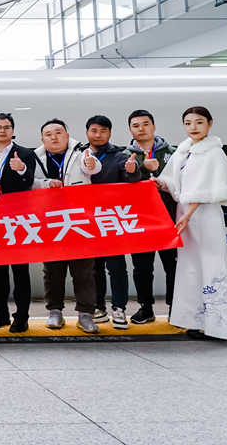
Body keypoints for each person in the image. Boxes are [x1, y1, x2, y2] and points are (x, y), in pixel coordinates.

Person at [154, 106, 227, 341]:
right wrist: (159, 183)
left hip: (204, 215)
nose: (193, 127)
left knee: (211, 264)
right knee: (190, 266)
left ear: (210, 123)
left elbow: (208, 189)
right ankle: (194, 321)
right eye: (188, 123)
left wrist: (187, 215)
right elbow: (173, 182)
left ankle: (220, 325)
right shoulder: (183, 151)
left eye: (198, 122)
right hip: (185, 215)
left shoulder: (214, 152)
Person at [31, 119, 101, 334]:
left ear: (67, 136)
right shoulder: (34, 157)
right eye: (48, 134)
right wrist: (45, 184)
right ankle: (54, 312)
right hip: (50, 221)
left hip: (80, 221)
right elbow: (29, 183)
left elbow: (92, 167)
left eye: (58, 132)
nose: (54, 137)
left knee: (84, 271)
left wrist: (92, 164)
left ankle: (86, 314)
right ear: (42, 138)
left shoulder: (81, 152)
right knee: (52, 270)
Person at [85, 114, 142, 330]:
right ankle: (98, 307)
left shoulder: (119, 156)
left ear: (109, 133)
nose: (98, 135)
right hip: (86, 222)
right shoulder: (79, 155)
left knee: (116, 267)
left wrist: (133, 171)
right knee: (93, 268)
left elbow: (131, 179)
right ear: (87, 133)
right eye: (94, 130)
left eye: (103, 131)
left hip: (111, 221)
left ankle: (119, 308)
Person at [0, 113, 36, 333]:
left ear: (12, 130)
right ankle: (1, 314)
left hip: (18, 220)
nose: (2, 131)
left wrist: (21, 168)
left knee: (20, 272)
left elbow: (30, 181)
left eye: (6, 127)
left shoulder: (25, 153)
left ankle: (21, 317)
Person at [125, 109, 178, 325]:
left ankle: (176, 308)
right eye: (136, 125)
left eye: (145, 124)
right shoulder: (124, 156)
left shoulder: (174, 153)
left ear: (154, 127)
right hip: (140, 222)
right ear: (130, 130)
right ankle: (145, 308)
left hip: (170, 221)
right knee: (142, 269)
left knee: (174, 267)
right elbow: (121, 186)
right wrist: (140, 169)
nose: (141, 129)